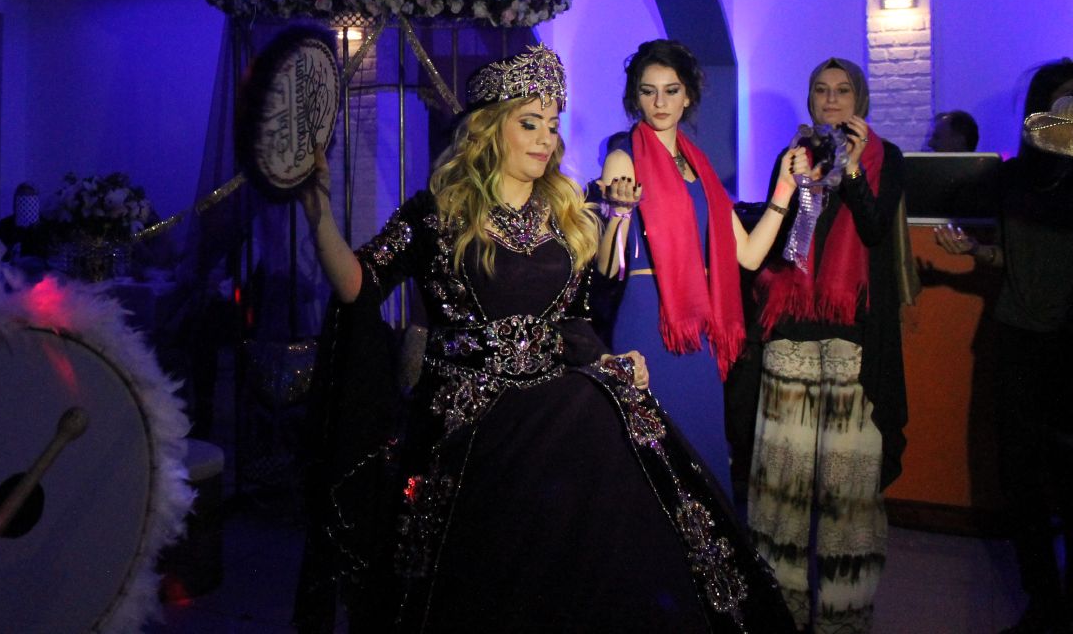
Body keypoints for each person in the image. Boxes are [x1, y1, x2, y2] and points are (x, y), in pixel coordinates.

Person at [294, 44, 793, 634]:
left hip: (553, 396)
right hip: (468, 412)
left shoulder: (562, 212)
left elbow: (575, 319)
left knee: (621, 429)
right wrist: (318, 213)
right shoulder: (438, 213)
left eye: (552, 126)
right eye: (529, 123)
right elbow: (359, 282)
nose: (544, 139)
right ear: (490, 129)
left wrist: (609, 359)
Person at [934, 59, 1073, 634]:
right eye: (1065, 98)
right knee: (1020, 480)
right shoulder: (1014, 178)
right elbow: (1013, 258)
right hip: (1013, 339)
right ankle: (1044, 604)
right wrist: (972, 253)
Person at [594, 38, 803, 491]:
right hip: (648, 320)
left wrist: (784, 190)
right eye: (648, 91)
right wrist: (619, 214)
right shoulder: (623, 157)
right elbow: (608, 267)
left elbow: (748, 254)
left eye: (671, 90)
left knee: (703, 452)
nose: (660, 102)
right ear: (635, 97)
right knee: (653, 461)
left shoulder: (699, 165)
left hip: (700, 330)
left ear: (687, 95)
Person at [746, 56, 908, 634]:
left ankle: (844, 618)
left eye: (843, 90)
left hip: (853, 343)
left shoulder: (887, 157)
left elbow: (875, 229)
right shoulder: (794, 155)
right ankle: (779, 614)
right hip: (791, 334)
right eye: (821, 90)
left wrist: (855, 169)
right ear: (810, 97)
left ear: (859, 99)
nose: (831, 99)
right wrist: (791, 182)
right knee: (780, 492)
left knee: (848, 496)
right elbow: (778, 242)